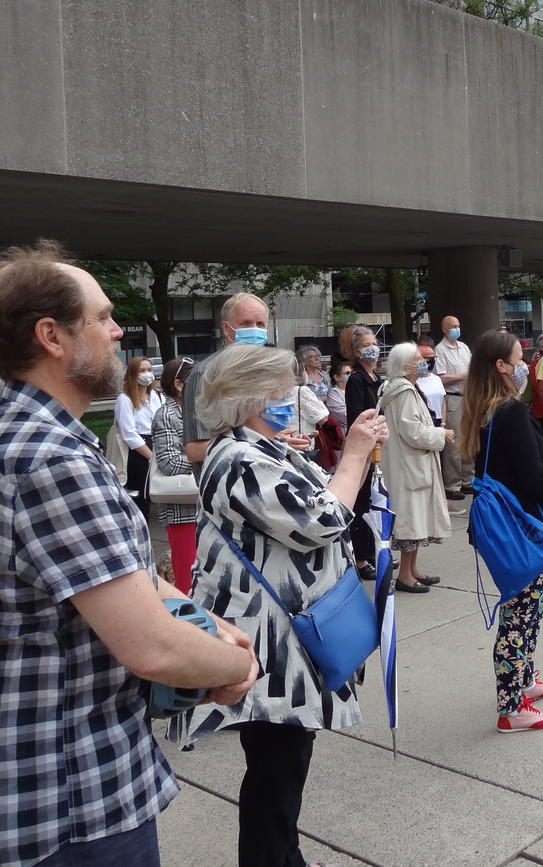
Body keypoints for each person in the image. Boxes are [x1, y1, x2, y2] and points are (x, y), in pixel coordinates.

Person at [0, 242, 257, 867]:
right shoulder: (49, 458)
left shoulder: (21, 432)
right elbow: (152, 648)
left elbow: (117, 572)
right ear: (52, 336)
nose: (118, 332)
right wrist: (234, 665)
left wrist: (209, 625)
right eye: (103, 317)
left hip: (41, 785)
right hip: (63, 800)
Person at [182, 343, 386, 867]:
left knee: (282, 771)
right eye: (279, 390)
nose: (290, 397)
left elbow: (328, 499)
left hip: (279, 638)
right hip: (269, 646)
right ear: (249, 398)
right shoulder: (239, 460)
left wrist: (357, 456)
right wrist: (355, 453)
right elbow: (323, 520)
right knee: (276, 776)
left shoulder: (260, 448)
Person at [460, 330, 543, 732]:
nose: (523, 363)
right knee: (519, 615)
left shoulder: (485, 407)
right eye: (517, 358)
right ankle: (511, 708)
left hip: (510, 521)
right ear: (501, 366)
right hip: (520, 525)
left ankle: (524, 679)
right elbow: (530, 475)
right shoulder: (508, 410)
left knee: (529, 606)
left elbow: (508, 471)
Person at [377, 342, 452, 593]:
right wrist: (441, 434)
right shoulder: (404, 392)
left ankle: (412, 569)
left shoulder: (406, 388)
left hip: (412, 463)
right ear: (405, 365)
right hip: (408, 465)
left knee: (418, 519)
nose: (423, 363)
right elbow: (413, 432)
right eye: (418, 359)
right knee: (411, 521)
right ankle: (404, 575)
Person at [181, 293, 276, 479]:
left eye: (260, 324)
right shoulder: (205, 375)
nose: (254, 330)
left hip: (269, 479)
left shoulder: (267, 372)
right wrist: (262, 444)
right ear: (226, 328)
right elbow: (194, 450)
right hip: (229, 485)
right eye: (246, 324)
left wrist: (280, 439)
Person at [151, 358, 199, 595]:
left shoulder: (197, 411)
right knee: (186, 579)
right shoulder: (166, 414)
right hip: (181, 509)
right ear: (179, 385)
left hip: (202, 505)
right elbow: (169, 462)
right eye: (196, 381)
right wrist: (205, 460)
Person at [343, 329, 383, 580]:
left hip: (377, 441)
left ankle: (373, 551)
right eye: (367, 345)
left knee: (373, 499)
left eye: (375, 343)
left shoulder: (376, 377)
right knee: (361, 502)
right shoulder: (356, 379)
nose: (373, 348)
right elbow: (356, 414)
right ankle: (360, 558)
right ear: (358, 352)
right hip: (364, 443)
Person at [434, 316, 474, 501]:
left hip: (467, 397)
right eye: (453, 326)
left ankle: (468, 479)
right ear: (444, 329)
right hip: (452, 397)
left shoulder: (464, 347)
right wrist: (464, 376)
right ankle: (453, 484)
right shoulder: (440, 350)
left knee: (468, 438)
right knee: (454, 441)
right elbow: (441, 377)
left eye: (458, 325)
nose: (457, 329)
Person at [115, 355, 162, 506]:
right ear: (132, 374)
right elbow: (129, 434)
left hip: (160, 443)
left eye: (149, 370)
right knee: (142, 499)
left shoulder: (158, 396)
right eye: (141, 371)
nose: (147, 374)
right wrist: (152, 457)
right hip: (139, 451)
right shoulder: (125, 399)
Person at [325, 361, 351, 433]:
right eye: (347, 373)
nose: (351, 375)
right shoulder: (333, 394)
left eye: (352, 373)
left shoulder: (355, 390)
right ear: (336, 377)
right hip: (344, 433)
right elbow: (344, 416)